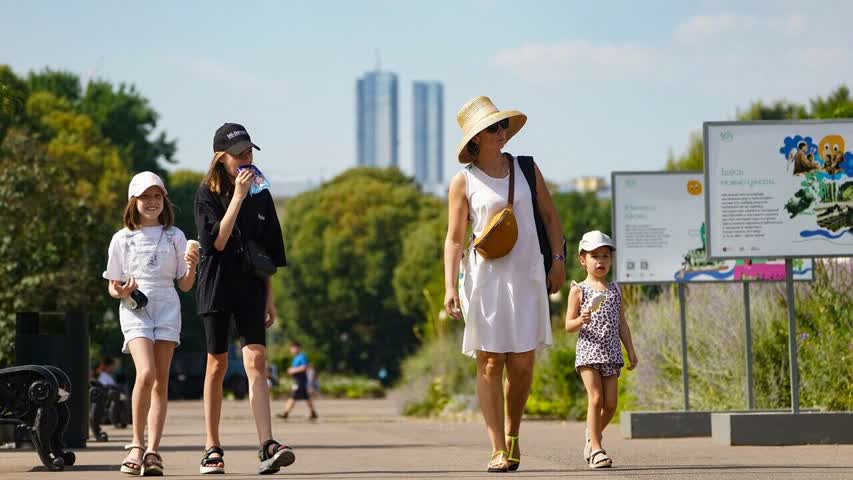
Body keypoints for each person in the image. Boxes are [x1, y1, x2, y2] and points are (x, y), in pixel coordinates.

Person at [444, 96, 566, 473]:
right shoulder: (463, 181)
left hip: (527, 275)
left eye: (503, 126)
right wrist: (450, 286)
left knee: (523, 363)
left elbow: (550, 217)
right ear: (476, 138)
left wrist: (558, 261)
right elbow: (453, 238)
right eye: (493, 128)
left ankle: (513, 431)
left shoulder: (527, 168)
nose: (502, 133)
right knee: (490, 361)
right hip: (485, 279)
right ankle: (498, 446)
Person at [194, 123, 292, 475]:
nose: (246, 160)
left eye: (249, 153)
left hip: (251, 286)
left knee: (257, 361)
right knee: (217, 364)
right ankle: (211, 447)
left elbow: (268, 254)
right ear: (221, 158)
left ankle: (267, 443)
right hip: (217, 284)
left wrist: (270, 298)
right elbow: (216, 243)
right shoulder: (206, 192)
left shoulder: (262, 193)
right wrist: (236, 196)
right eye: (239, 155)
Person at [103, 171, 200, 476]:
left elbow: (185, 285)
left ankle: (154, 452)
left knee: (161, 380)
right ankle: (136, 444)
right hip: (136, 307)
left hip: (168, 305)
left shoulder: (175, 235)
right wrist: (120, 290)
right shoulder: (122, 238)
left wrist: (193, 266)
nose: (152, 202)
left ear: (164, 200)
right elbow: (112, 284)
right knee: (145, 373)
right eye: (145, 196)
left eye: (157, 196)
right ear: (133, 200)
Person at [565, 231, 638, 469]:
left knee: (612, 405)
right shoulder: (579, 289)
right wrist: (581, 319)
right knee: (595, 398)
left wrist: (631, 350)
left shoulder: (615, 290)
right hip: (589, 350)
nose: (601, 261)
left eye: (605, 256)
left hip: (611, 351)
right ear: (582, 259)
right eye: (594, 256)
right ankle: (597, 449)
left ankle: (591, 435)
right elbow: (568, 325)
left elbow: (622, 323)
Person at [277, 341, 318, 420]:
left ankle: (286, 413)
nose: (292, 350)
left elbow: (304, 367)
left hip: (300, 380)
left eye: (293, 348)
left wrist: (292, 370)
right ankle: (313, 413)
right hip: (298, 379)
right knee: (306, 397)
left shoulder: (302, 356)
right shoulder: (296, 358)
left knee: (293, 396)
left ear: (297, 348)